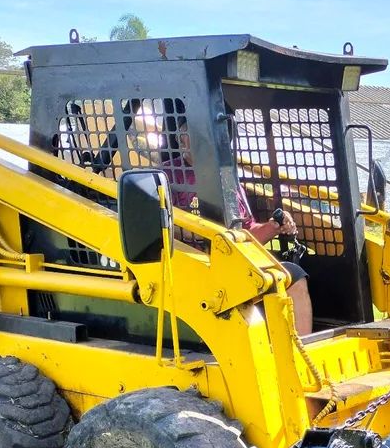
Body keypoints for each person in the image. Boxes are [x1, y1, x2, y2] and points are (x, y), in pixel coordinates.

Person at [129, 106, 313, 333]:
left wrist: (272, 227)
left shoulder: (226, 176)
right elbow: (158, 228)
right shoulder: (166, 176)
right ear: (182, 141)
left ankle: (301, 350)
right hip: (192, 266)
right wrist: (193, 233)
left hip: (231, 260)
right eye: (195, 137)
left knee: (293, 276)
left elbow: (245, 229)